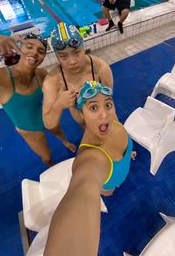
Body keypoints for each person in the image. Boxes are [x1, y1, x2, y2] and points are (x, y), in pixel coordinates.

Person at [44, 81, 136, 256]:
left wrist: (128, 151)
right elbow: (84, 189)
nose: (105, 115)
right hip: (108, 181)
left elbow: (117, 126)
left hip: (119, 168)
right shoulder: (90, 159)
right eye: (93, 108)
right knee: (108, 191)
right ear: (82, 115)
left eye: (108, 104)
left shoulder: (112, 122)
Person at [0, 32, 75, 166]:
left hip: (46, 117)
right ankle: (51, 166)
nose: (35, 52)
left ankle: (64, 141)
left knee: (57, 130)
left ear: (43, 57)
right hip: (29, 130)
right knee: (46, 156)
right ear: (19, 48)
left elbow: (56, 92)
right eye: (29, 47)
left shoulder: (41, 74)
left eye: (40, 51)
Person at [43, 22, 113, 131]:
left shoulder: (100, 69)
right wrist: (58, 105)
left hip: (103, 117)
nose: (72, 62)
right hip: (81, 122)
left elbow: (109, 101)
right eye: (63, 56)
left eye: (76, 53)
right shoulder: (53, 80)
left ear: (83, 48)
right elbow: (49, 124)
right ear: (57, 57)